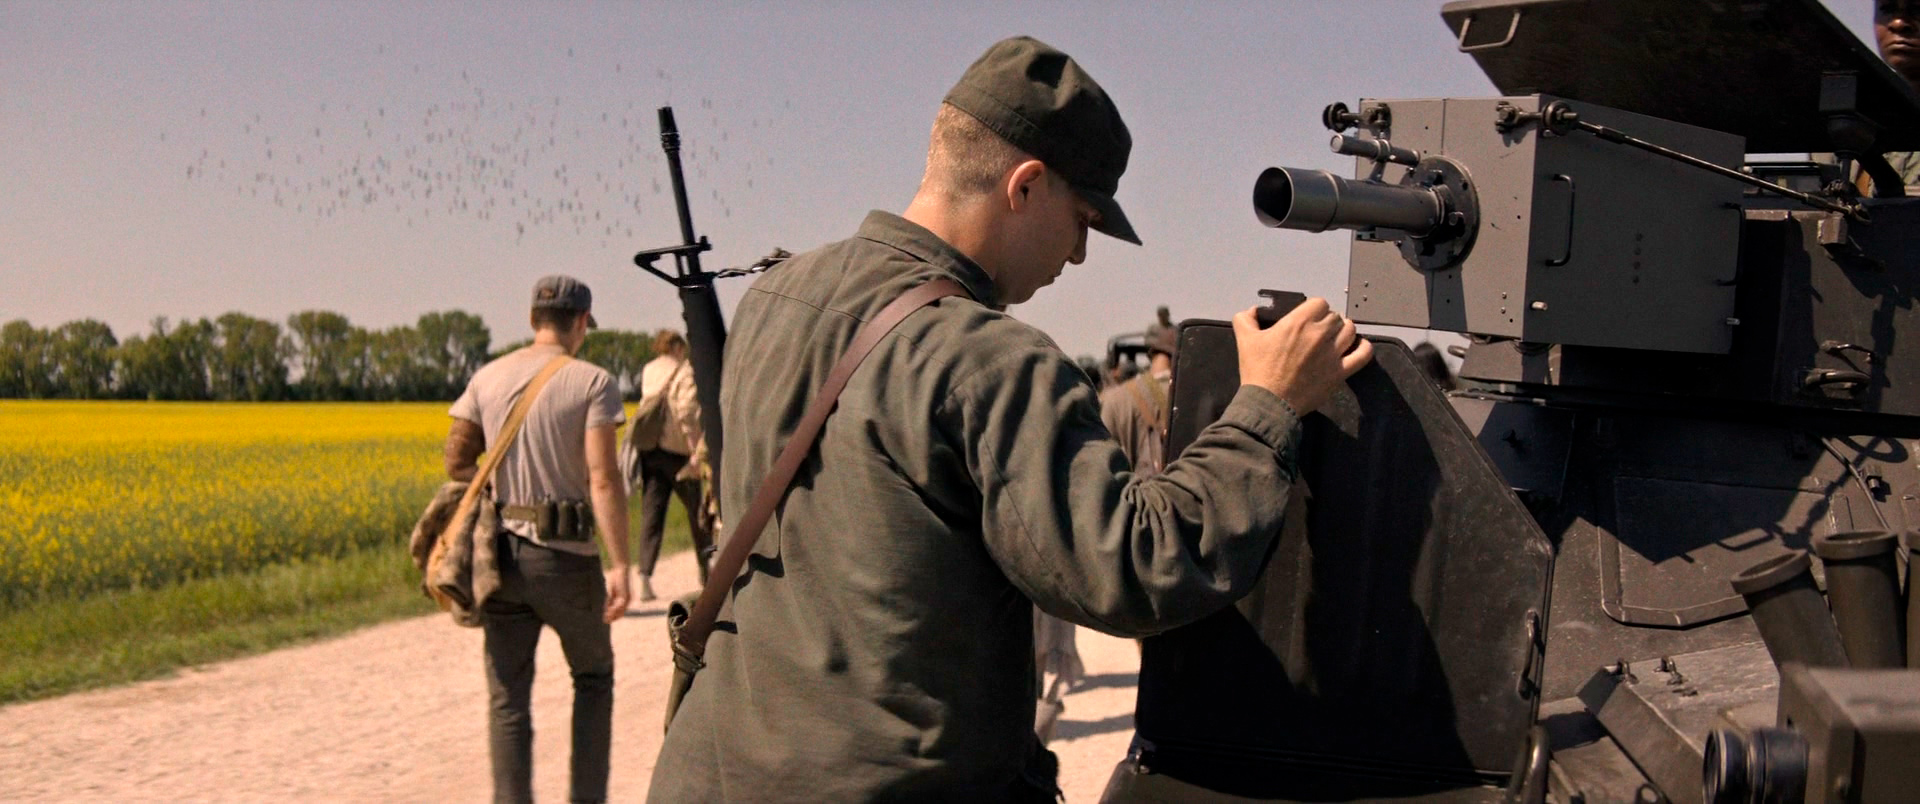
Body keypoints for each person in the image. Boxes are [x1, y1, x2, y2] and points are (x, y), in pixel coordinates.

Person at [649, 36, 1370, 800]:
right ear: (1025, 186)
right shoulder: (989, 359)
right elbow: (1134, 567)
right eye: (1083, 218)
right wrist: (1267, 406)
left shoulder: (775, 295)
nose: (1080, 253)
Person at [444, 274, 632, 804]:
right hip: (568, 561)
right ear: (581, 322)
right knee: (593, 679)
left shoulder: (487, 377)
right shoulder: (593, 382)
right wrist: (621, 564)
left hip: (501, 558)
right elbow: (603, 478)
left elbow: (457, 459)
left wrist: (499, 495)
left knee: (508, 699)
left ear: (532, 320)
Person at [630, 329, 713, 601]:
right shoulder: (684, 370)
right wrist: (695, 450)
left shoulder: (649, 369)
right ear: (677, 347)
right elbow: (687, 411)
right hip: (677, 451)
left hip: (650, 451)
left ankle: (645, 576)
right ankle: (706, 570)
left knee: (652, 513)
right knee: (697, 513)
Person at [1099, 325, 1178, 476]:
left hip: (1136, 488)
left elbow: (1102, 462)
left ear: (1151, 353)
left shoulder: (1115, 398)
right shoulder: (1193, 396)